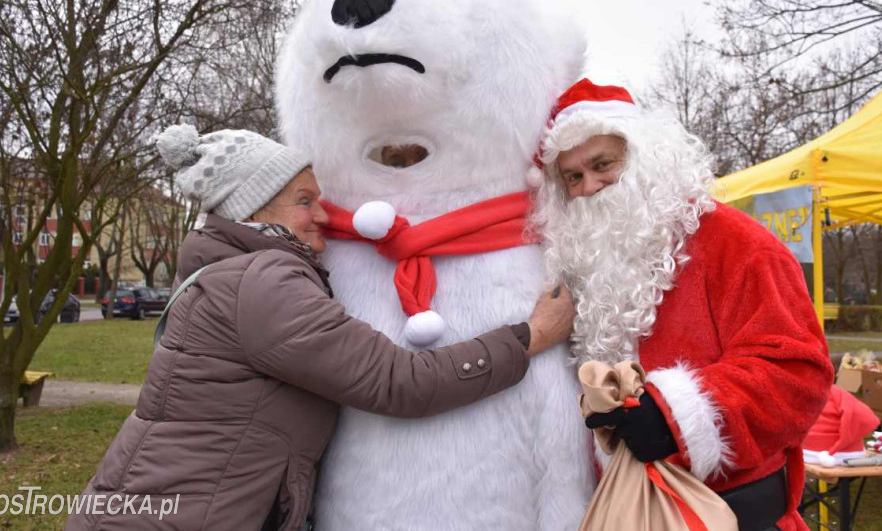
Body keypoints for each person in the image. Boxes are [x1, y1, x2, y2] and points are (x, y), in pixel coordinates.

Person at [66, 124, 574, 531]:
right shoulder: (260, 281)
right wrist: (530, 336)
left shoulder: (224, 273)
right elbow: (402, 382)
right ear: (252, 209)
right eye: (305, 200)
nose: (324, 216)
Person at [528, 79, 834, 531]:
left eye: (602, 164)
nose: (588, 187)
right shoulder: (578, 266)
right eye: (572, 177)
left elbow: (797, 373)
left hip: (731, 513)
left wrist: (675, 415)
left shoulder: (737, 244)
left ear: (645, 159)